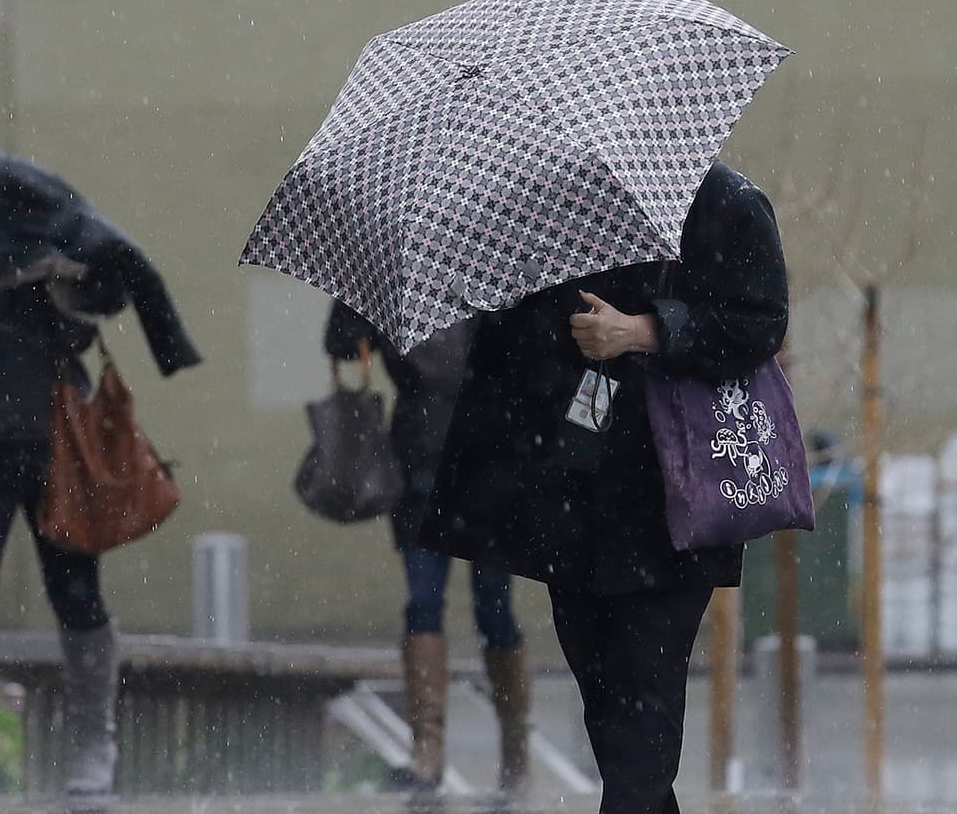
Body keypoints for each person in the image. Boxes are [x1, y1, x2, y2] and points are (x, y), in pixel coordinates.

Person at [421, 159, 789, 814]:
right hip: (576, 493)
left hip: (677, 491)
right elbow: (519, 346)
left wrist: (644, 329)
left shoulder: (724, 202)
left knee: (642, 721)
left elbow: (759, 320)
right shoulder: (558, 210)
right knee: (613, 718)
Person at [0, 150, 201, 801]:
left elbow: (92, 315)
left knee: (76, 595)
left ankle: (94, 742)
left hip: (58, 444)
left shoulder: (50, 249)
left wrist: (48, 284)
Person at [324, 301, 532, 793]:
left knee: (494, 609)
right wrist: (352, 289)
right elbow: (339, 346)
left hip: (490, 467)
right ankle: (428, 751)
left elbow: (532, 359)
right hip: (421, 467)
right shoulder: (399, 281)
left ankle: (516, 754)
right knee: (423, 603)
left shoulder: (494, 278)